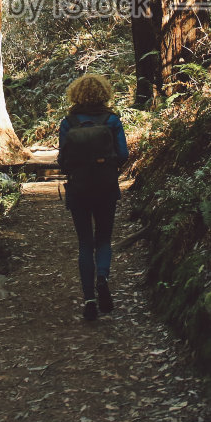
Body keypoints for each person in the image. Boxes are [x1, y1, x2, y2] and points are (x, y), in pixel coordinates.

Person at [57, 73, 128, 322]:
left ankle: (89, 300)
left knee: (85, 243)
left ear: (75, 94)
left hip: (79, 189)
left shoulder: (68, 122)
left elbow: (62, 160)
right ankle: (102, 278)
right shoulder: (112, 120)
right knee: (104, 239)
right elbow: (123, 154)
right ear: (104, 93)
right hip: (106, 187)